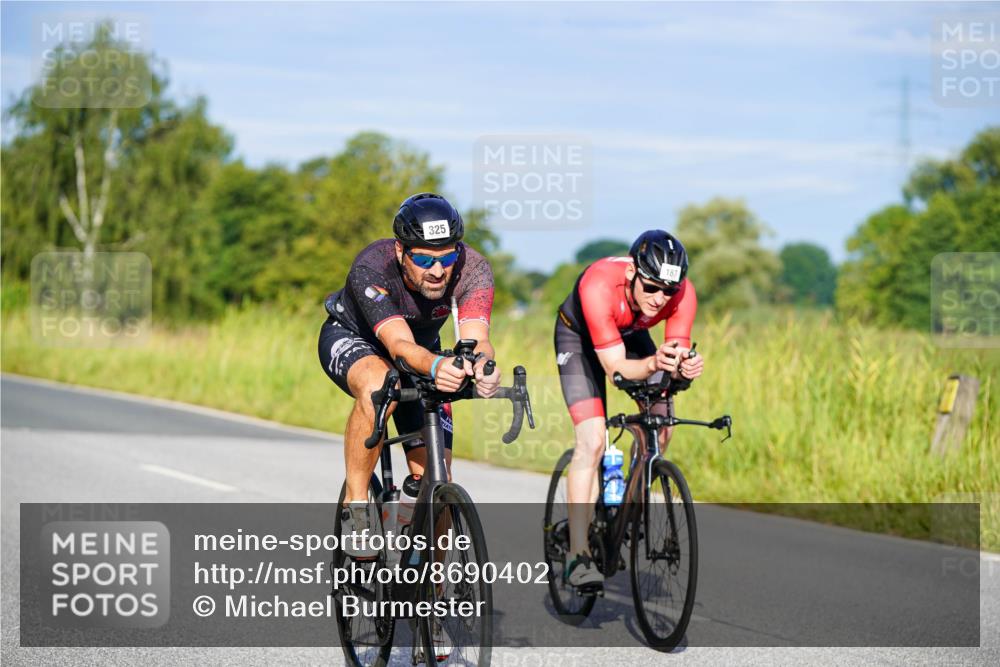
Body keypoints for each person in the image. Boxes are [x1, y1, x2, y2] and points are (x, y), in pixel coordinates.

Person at [318, 192, 501, 559]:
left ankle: (424, 582)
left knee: (436, 477)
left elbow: (478, 338)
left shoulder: (474, 268)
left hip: (423, 351)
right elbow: (399, 345)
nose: (438, 271)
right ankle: (357, 506)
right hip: (359, 339)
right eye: (423, 259)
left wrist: (481, 366)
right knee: (378, 384)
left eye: (447, 257)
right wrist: (436, 366)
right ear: (401, 252)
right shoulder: (371, 266)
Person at [553, 230, 705, 589]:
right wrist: (655, 362)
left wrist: (684, 367)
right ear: (633, 273)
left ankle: (629, 502)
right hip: (580, 340)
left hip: (631, 334)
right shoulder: (598, 286)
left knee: (663, 425)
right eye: (651, 288)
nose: (659, 299)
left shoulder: (682, 293)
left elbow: (674, 354)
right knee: (591, 441)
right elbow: (617, 370)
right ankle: (578, 555)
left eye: (668, 291)